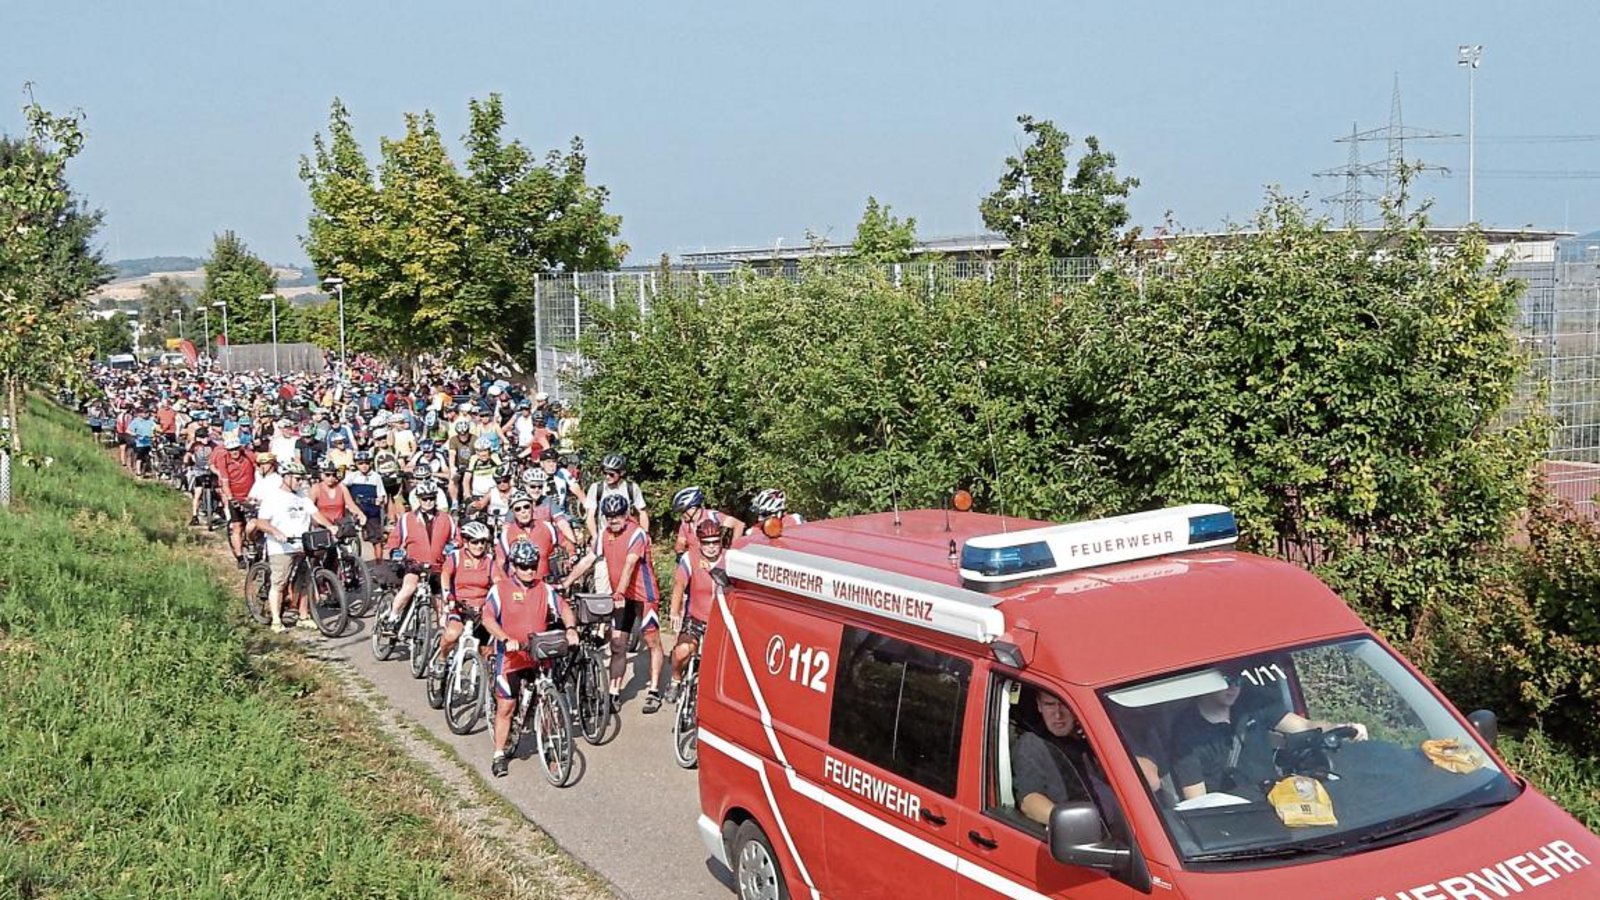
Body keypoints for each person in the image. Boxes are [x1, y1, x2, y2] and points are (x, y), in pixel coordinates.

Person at [1170, 674, 1369, 801]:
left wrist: (1341, 727)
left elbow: (1304, 726)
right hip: (1233, 818)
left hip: (1278, 802)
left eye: (1239, 681)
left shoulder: (1252, 704)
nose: (1234, 688)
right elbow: (1197, 803)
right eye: (1227, 681)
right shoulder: (1186, 733)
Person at [483, 541, 579, 778]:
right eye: (524, 566)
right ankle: (498, 754)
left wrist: (571, 629)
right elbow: (487, 618)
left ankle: (551, 747)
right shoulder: (501, 589)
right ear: (514, 566)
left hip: (537, 654)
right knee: (506, 706)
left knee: (550, 700)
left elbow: (564, 608)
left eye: (533, 566)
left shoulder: (544, 589)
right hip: (511, 658)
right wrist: (504, 638)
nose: (529, 570)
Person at [562, 493, 664, 713]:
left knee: (652, 640)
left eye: (617, 516)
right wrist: (568, 581)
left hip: (644, 596)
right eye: (609, 516)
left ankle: (654, 690)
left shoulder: (637, 534)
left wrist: (618, 591)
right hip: (623, 598)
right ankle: (614, 692)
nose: (613, 520)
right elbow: (589, 559)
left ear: (627, 514)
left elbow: (629, 564)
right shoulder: (602, 535)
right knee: (618, 644)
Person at [251, 460, 337, 634]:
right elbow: (261, 522)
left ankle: (303, 616)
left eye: (302, 479)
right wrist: (275, 532)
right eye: (297, 478)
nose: (300, 482)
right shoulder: (273, 497)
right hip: (281, 548)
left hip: (303, 545)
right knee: (280, 583)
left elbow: (315, 514)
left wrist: (330, 526)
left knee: (305, 582)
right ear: (286, 477)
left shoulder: (302, 497)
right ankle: (276, 619)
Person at [1013, 690, 1109, 826]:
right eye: (1049, 705)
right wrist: (1073, 826)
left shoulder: (1093, 736)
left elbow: (1148, 777)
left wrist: (1100, 740)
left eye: (1064, 705)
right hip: (1082, 833)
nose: (1058, 715)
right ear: (1039, 706)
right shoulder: (1033, 743)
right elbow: (1029, 802)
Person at [381, 478, 458, 634]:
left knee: (440, 600)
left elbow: (457, 539)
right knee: (409, 587)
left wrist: (454, 546)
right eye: (425, 498)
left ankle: (441, 634)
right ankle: (392, 617)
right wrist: (394, 551)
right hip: (414, 563)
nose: (428, 502)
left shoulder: (446, 519)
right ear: (419, 499)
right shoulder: (407, 518)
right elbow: (395, 539)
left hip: (437, 566)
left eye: (432, 498)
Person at [667, 517, 725, 703]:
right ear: (699, 542)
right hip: (695, 616)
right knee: (683, 651)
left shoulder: (730, 559)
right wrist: (674, 612)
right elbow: (679, 585)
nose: (711, 547)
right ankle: (676, 680)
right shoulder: (690, 558)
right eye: (707, 543)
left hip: (721, 621)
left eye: (716, 542)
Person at [433, 519, 499, 678]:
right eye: (475, 542)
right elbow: (445, 575)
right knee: (453, 634)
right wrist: (447, 594)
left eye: (483, 542)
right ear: (466, 542)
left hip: (482, 609)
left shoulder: (489, 561)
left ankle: (484, 684)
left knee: (487, 648)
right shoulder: (456, 557)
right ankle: (441, 659)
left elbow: (498, 582)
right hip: (459, 605)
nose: (479, 546)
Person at [213, 435, 257, 567]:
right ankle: (239, 557)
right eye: (231, 450)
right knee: (237, 526)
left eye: (236, 449)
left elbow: (260, 464)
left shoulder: (248, 455)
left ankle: (253, 546)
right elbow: (225, 482)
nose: (234, 452)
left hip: (251, 496)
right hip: (235, 496)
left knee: (254, 526)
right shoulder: (224, 459)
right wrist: (231, 498)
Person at [583, 452, 648, 541]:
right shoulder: (596, 488)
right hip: (605, 536)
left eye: (611, 474)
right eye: (605, 473)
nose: (607, 477)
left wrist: (645, 534)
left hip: (627, 536)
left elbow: (642, 512)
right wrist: (595, 537)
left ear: (621, 473)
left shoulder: (631, 488)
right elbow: (590, 516)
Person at [671, 485, 745, 555]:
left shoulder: (712, 516)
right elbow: (681, 541)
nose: (682, 514)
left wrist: (734, 548)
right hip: (695, 561)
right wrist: (680, 552)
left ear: (692, 509)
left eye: (683, 511)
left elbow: (739, 525)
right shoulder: (686, 523)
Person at [343, 451, 388, 560]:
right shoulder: (352, 476)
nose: (364, 466)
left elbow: (382, 495)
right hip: (356, 510)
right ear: (356, 464)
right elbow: (342, 487)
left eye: (367, 463)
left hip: (372, 511)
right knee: (348, 535)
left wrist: (380, 500)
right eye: (361, 463)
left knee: (377, 539)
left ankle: (379, 562)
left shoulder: (376, 477)